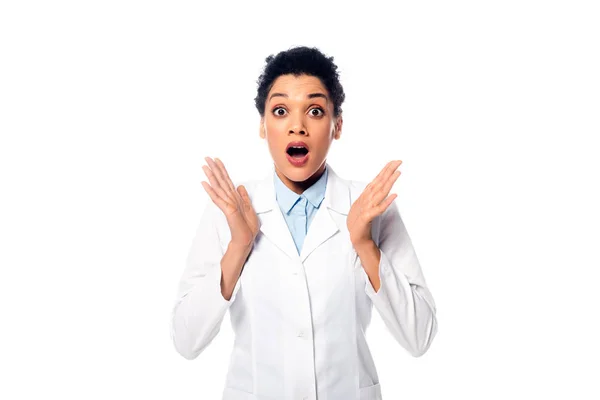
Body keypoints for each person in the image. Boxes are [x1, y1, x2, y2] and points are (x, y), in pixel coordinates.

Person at [170, 46, 438, 400]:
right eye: (280, 111)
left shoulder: (371, 208)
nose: (297, 126)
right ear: (264, 126)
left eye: (315, 111)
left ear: (337, 125)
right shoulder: (232, 209)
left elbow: (419, 336)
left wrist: (364, 244)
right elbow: (186, 340)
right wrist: (239, 246)